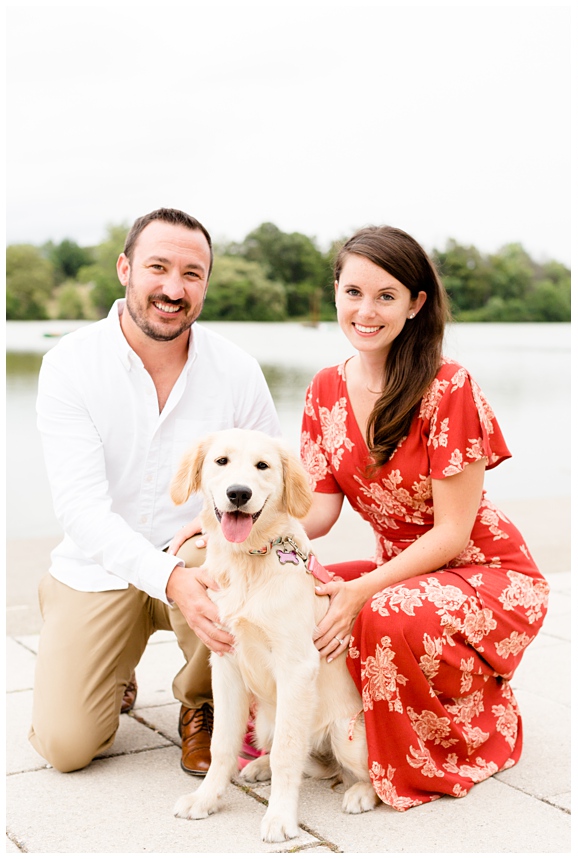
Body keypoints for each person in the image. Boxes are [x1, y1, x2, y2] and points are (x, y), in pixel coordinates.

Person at [298, 225, 548, 810]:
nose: (366, 310)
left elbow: (452, 533)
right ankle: (329, 729)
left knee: (381, 609)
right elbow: (319, 512)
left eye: (386, 296)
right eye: (353, 291)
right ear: (335, 292)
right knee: (306, 589)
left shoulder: (448, 386)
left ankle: (434, 747)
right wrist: (237, 524)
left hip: (482, 570)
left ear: (416, 305)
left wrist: (361, 589)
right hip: (405, 566)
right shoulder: (323, 391)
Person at [30, 207, 281, 774]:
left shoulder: (238, 370)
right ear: (125, 269)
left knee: (212, 549)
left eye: (192, 274)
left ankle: (203, 704)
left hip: (198, 558)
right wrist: (167, 579)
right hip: (99, 567)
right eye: (158, 267)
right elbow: (80, 509)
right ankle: (103, 656)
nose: (174, 288)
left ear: (207, 285)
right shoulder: (69, 364)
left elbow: (272, 483)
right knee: (66, 748)